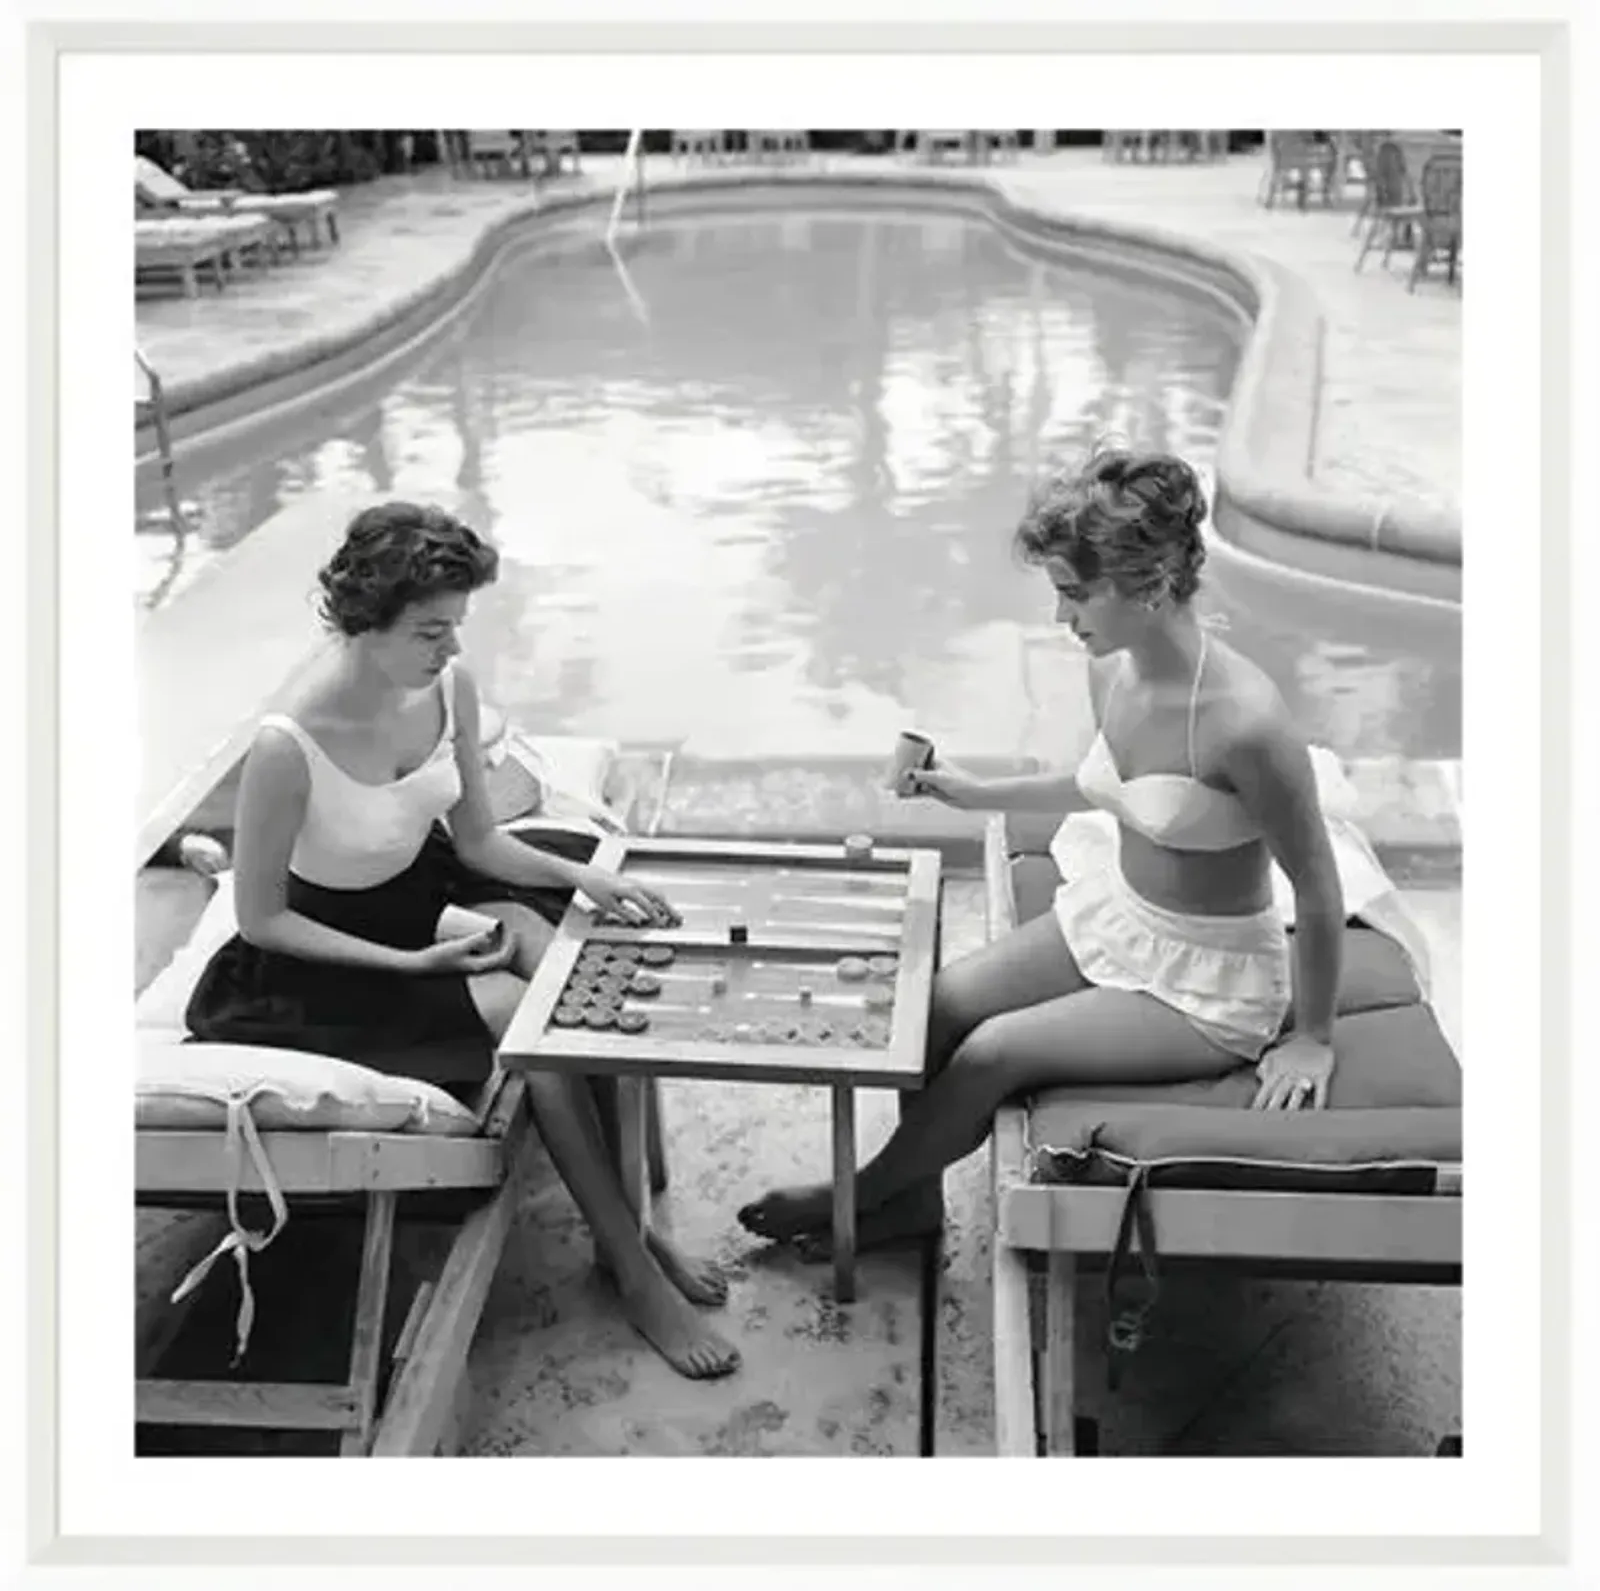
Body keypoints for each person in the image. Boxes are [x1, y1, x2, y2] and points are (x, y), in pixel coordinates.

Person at [739, 444, 1349, 1255]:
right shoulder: (1117, 670)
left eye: (1075, 595)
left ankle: (857, 1196)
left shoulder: (1246, 724)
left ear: (1152, 585)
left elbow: (1315, 886)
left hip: (1207, 983)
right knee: (938, 1006)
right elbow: (1108, 782)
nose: (1063, 619)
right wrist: (972, 792)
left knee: (993, 1050)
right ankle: (910, 1201)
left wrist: (1312, 1037)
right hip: (1121, 919)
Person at [185, 501, 739, 1379]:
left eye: (456, 626)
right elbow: (263, 920)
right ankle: (629, 1268)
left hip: (419, 902)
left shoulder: (448, 686)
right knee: (528, 1018)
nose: (450, 648)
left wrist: (583, 877)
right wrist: (408, 964)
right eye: (430, 630)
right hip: (314, 965)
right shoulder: (288, 745)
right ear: (365, 621)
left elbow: (478, 842)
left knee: (585, 958)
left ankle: (631, 1225)